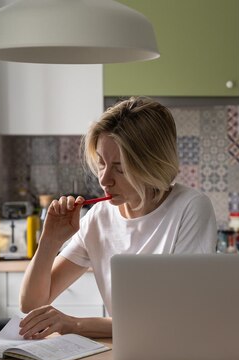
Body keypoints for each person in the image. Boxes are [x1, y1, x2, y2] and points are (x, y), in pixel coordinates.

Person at [18, 96, 217, 340]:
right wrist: (49, 241)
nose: (104, 179)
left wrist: (74, 325)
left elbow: (175, 318)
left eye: (120, 168)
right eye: (101, 163)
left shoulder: (191, 207)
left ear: (151, 165)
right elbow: (32, 304)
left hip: (176, 351)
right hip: (123, 352)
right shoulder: (99, 217)